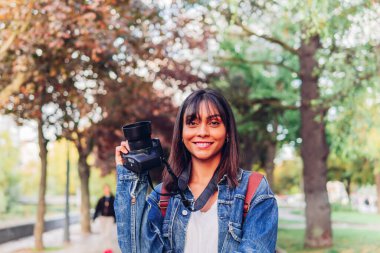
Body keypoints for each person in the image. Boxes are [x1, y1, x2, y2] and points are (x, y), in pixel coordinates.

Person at [114, 89, 278, 253]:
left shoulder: (254, 190)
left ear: (227, 132)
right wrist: (130, 175)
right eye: (192, 123)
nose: (202, 132)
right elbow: (134, 249)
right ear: (181, 133)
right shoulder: (163, 195)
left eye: (214, 123)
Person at [93, 184, 117, 253]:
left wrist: (115, 218)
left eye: (107, 188)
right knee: (103, 234)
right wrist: (94, 218)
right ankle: (105, 249)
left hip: (110, 218)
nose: (106, 190)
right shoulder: (101, 199)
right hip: (102, 218)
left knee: (108, 234)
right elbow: (97, 209)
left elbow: (115, 209)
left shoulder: (113, 198)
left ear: (109, 189)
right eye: (105, 189)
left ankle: (109, 248)